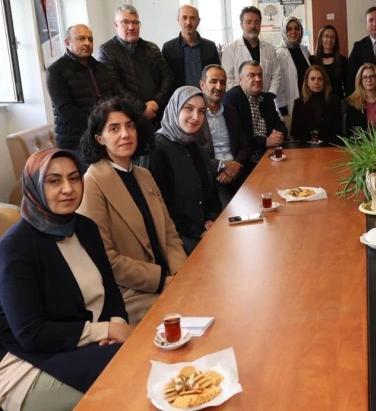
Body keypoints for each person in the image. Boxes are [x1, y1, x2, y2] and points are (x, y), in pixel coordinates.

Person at [0, 149, 132, 411]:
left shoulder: (85, 228)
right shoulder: (15, 247)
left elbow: (110, 290)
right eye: (54, 181)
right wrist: (106, 331)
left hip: (86, 344)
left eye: (74, 178)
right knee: (132, 372)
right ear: (35, 186)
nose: (68, 189)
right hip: (26, 362)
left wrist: (116, 325)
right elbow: (31, 333)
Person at [78, 100, 187, 323]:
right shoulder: (92, 183)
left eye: (130, 126)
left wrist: (181, 274)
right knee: (194, 308)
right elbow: (104, 258)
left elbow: (170, 233)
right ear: (99, 139)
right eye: (114, 128)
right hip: (129, 294)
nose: (125, 134)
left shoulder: (144, 175)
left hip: (169, 278)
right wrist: (161, 281)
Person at [148, 87, 221, 255]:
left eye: (201, 111)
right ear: (175, 108)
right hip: (175, 240)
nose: (196, 117)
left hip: (205, 231)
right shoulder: (156, 150)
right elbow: (159, 208)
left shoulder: (198, 148)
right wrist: (198, 232)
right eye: (189, 108)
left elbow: (212, 192)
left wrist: (211, 218)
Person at [96, 5, 173, 127]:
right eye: (125, 22)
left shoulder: (152, 48)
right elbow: (114, 86)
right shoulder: (106, 51)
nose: (131, 27)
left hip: (159, 114)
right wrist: (142, 109)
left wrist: (156, 102)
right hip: (129, 118)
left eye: (135, 22)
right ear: (116, 25)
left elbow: (167, 78)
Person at [46, 24, 116, 155]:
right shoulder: (56, 71)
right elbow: (66, 110)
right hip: (75, 141)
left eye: (90, 39)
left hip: (105, 134)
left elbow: (112, 98)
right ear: (67, 43)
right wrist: (99, 125)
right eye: (81, 39)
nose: (87, 43)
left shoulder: (100, 67)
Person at [197, 65, 252, 207]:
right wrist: (222, 167)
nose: (219, 87)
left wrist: (234, 168)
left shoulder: (231, 112)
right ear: (202, 85)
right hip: (213, 178)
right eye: (213, 81)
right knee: (230, 210)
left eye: (222, 82)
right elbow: (195, 155)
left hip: (237, 173)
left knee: (260, 199)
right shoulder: (196, 116)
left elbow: (245, 146)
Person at [222, 61, 287, 165]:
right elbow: (236, 137)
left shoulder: (267, 99)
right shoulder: (231, 99)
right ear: (240, 80)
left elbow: (280, 124)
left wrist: (278, 135)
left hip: (271, 154)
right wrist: (265, 141)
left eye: (260, 75)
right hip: (246, 159)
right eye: (251, 75)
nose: (258, 79)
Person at [221, 6, 281, 93]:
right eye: (248, 22)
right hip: (239, 98)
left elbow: (276, 75)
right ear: (241, 25)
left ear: (260, 25)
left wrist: (271, 94)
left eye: (257, 22)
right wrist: (243, 97)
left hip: (265, 97)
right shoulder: (230, 49)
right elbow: (228, 78)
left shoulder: (269, 49)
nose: (253, 26)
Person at [162, 4, 221, 92]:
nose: (188, 22)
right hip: (179, 98)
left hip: (206, 97)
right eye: (184, 18)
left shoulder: (210, 47)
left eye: (192, 18)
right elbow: (164, 79)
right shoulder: (168, 48)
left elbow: (218, 75)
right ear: (178, 20)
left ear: (198, 21)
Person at [290, 65, 343, 145]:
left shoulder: (335, 101)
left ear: (324, 82)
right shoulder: (299, 103)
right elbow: (295, 132)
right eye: (312, 79)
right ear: (307, 82)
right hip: (305, 147)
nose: (316, 82)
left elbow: (338, 131)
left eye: (320, 79)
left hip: (329, 146)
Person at [275, 16, 311, 131]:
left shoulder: (304, 50)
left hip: (307, 102)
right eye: (289, 29)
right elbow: (279, 87)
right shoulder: (279, 54)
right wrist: (284, 112)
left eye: (296, 28)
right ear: (284, 32)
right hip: (290, 106)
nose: (293, 32)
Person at [345, 63, 376, 132]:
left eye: (372, 76)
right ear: (360, 80)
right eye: (365, 77)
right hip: (360, 139)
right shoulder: (353, 102)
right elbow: (350, 131)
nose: (369, 80)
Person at [311, 25, 349, 100]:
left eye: (333, 37)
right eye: (326, 36)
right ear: (321, 38)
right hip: (317, 101)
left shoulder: (342, 60)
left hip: (338, 102)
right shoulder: (312, 60)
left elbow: (347, 85)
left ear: (336, 40)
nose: (329, 39)